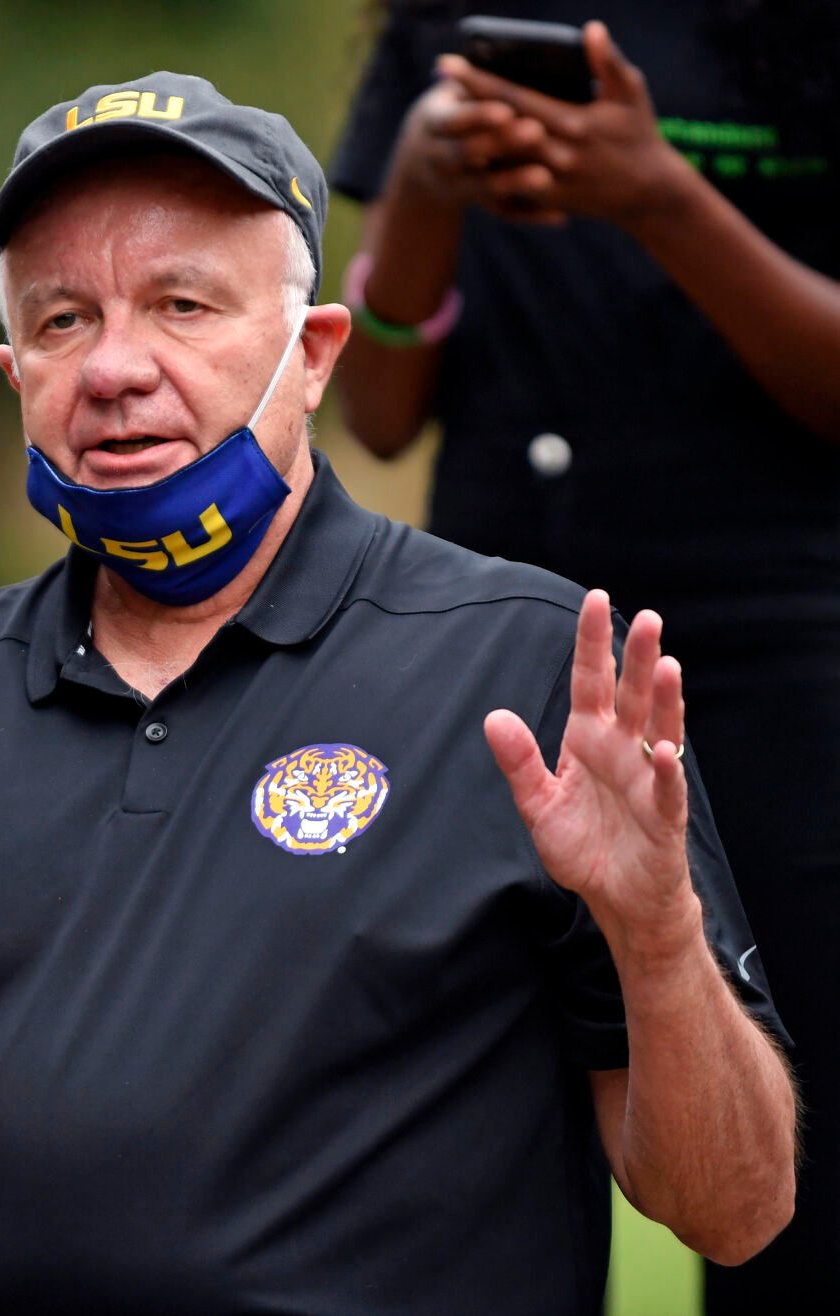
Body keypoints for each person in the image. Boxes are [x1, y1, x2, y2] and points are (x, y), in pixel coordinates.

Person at [0, 74, 797, 1313]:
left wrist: (657, 935)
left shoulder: (527, 667)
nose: (114, 368)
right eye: (62, 321)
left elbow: (735, 1212)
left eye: (182, 305)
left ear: (315, 353)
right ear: (15, 373)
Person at [326, 6, 840, 1309]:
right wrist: (427, 195)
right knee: (465, 1117)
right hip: (501, 658)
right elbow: (376, 415)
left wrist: (658, 198)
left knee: (794, 1157)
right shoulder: (445, 20)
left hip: (781, 665)